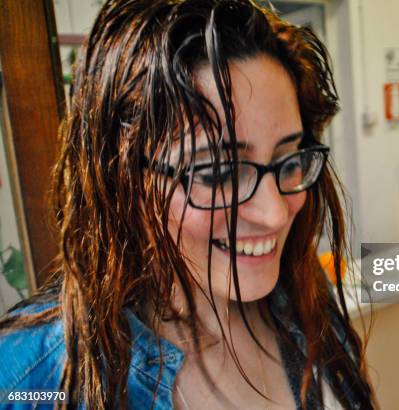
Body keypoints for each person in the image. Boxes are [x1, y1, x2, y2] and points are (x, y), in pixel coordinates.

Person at [0, 0, 377, 409]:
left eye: (289, 161)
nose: (275, 213)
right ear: (121, 176)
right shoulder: (33, 378)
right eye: (217, 174)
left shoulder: (301, 297)